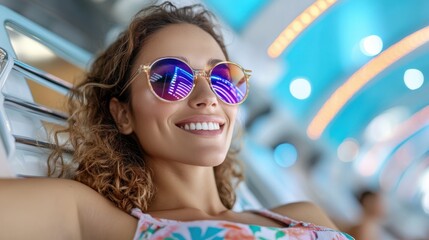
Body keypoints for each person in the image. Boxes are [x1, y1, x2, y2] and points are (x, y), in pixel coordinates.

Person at [0, 2, 354, 239]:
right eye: (170, 78)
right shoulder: (98, 221)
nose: (208, 96)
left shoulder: (303, 213)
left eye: (223, 77)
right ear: (123, 113)